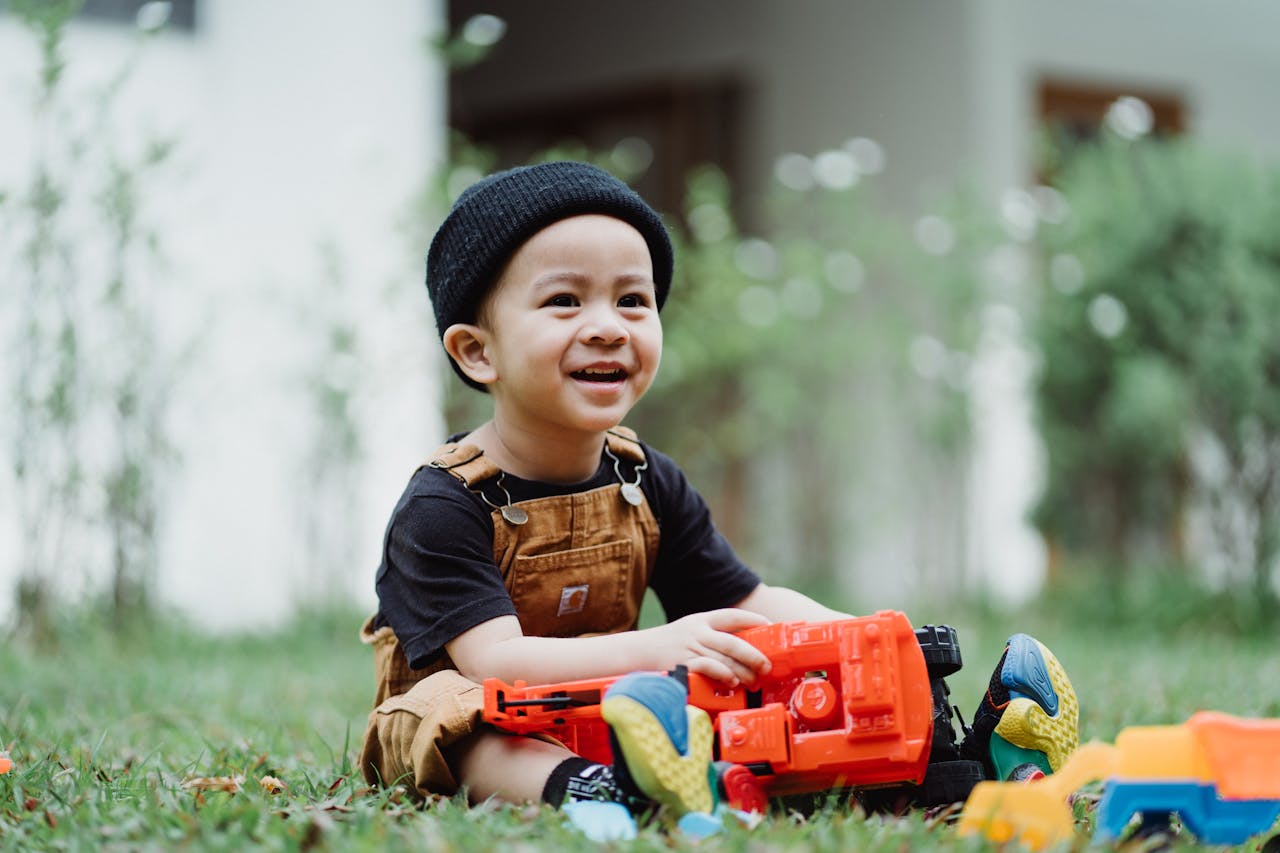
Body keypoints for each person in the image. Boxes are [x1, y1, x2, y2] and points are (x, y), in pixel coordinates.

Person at [358, 161, 1077, 822]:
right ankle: (599, 791)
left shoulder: (643, 478)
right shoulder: (443, 504)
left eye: (632, 300)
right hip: (476, 723)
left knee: (771, 690)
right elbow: (499, 663)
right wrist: (661, 645)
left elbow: (742, 602)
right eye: (565, 300)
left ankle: (966, 767)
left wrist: (860, 636)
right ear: (477, 351)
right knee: (464, 716)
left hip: (621, 703)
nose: (607, 327)